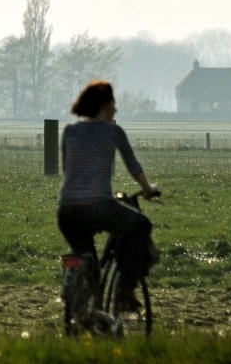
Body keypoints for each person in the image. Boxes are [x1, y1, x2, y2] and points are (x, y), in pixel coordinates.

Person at [57, 80, 160, 310]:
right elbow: (133, 167)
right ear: (104, 105)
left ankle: (86, 309)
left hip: (67, 210)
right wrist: (148, 189)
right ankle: (126, 289)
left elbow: (68, 169)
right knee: (141, 225)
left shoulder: (70, 132)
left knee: (87, 260)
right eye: (113, 104)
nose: (116, 109)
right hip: (99, 206)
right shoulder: (113, 131)